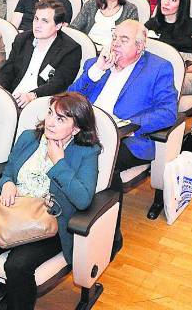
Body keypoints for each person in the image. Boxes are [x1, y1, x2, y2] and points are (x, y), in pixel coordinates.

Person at [0, 92, 101, 310]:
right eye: (51, 113)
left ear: (76, 128)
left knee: (17, 266)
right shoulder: (29, 137)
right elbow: (9, 171)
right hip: (13, 211)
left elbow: (83, 200)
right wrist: (7, 184)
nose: (50, 122)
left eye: (61, 119)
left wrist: (59, 163)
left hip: (50, 222)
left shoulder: (86, 152)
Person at [68, 19, 176, 236]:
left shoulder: (159, 68)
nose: (115, 43)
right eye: (114, 37)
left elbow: (168, 112)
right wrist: (97, 70)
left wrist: (131, 125)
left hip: (128, 138)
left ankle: (108, 233)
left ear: (140, 46)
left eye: (123, 39)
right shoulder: (95, 64)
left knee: (101, 161)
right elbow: (70, 99)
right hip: (85, 130)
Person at [0, 0, 81, 108]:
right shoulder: (22, 39)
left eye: (45, 21)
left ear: (58, 26)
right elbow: (8, 69)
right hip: (12, 96)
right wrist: (0, 86)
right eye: (36, 19)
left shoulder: (70, 49)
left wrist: (33, 95)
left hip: (41, 102)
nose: (37, 25)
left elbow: (59, 83)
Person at [145, 0, 192, 95]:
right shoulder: (152, 24)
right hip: (156, 68)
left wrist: (178, 69)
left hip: (187, 72)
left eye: (173, 0)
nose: (166, 3)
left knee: (162, 85)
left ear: (182, 4)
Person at [72, 0, 139, 45]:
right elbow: (74, 28)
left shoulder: (130, 10)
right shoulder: (91, 5)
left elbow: (130, 39)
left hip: (114, 52)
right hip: (88, 49)